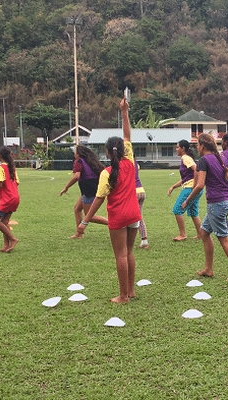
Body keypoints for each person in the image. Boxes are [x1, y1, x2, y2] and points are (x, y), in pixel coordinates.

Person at [76, 96, 141, 303]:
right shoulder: (130, 162)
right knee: (129, 253)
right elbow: (127, 135)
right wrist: (124, 112)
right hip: (134, 214)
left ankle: (123, 296)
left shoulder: (107, 172)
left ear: (106, 152)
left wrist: (85, 222)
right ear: (123, 150)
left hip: (119, 217)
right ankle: (130, 291)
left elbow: (97, 200)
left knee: (120, 255)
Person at [182, 133, 228, 282]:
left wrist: (187, 201)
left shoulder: (204, 160)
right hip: (225, 202)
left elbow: (199, 186)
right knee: (204, 233)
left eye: (197, 145)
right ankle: (208, 269)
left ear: (202, 146)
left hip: (216, 204)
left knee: (224, 240)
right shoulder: (222, 158)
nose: (197, 148)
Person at [61, 145, 108, 238]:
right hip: (92, 188)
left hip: (88, 190)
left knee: (89, 216)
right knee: (77, 209)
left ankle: (115, 224)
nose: (74, 154)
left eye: (75, 152)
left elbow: (76, 176)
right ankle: (79, 234)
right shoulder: (90, 161)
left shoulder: (78, 162)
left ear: (78, 154)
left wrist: (66, 187)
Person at [168, 139, 203, 241]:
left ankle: (182, 234)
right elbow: (186, 179)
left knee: (177, 210)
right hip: (193, 188)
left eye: (178, 147)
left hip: (190, 189)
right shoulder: (186, 158)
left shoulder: (185, 158)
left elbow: (196, 169)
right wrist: (173, 187)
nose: (176, 149)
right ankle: (200, 234)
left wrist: (195, 185)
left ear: (183, 149)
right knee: (193, 212)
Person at [0, 147, 20, 253]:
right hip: (15, 197)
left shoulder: (0, 167)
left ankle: (13, 239)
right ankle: (6, 245)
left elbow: (0, 184)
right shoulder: (12, 167)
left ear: (0, 156)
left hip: (7, 198)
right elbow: (16, 182)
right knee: (5, 221)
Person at [134, 161, 149, 249]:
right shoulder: (136, 164)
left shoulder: (124, 163)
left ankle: (125, 240)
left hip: (133, 192)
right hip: (141, 191)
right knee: (139, 217)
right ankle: (144, 241)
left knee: (127, 217)